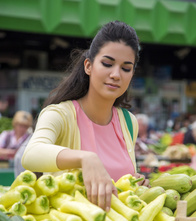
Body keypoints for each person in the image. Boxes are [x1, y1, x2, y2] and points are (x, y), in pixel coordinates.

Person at [22, 20, 149, 211]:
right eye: (107, 64)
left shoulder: (129, 122)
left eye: (126, 68)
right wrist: (86, 158)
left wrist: (134, 185)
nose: (116, 74)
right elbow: (31, 155)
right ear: (88, 66)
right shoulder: (59, 114)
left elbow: (117, 187)